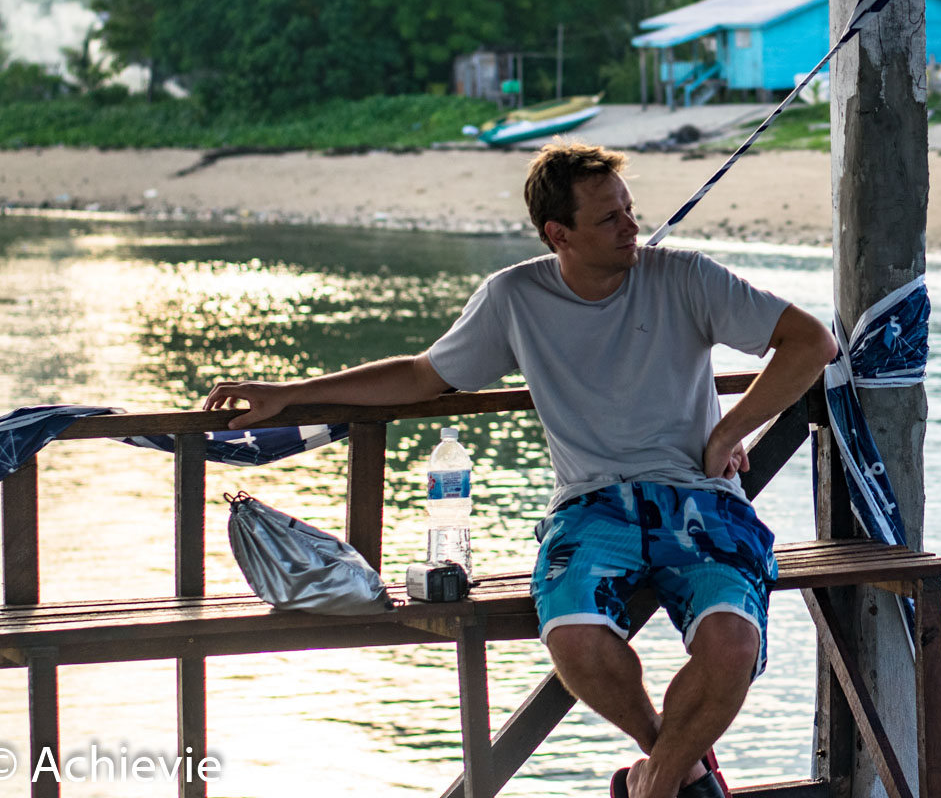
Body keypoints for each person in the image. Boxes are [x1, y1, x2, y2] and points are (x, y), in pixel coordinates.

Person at [203, 142, 837, 798]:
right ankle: (674, 768)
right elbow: (421, 376)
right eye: (609, 218)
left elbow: (811, 341)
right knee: (574, 639)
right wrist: (290, 393)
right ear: (558, 234)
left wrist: (731, 429)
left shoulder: (687, 277)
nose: (632, 227)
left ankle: (657, 785)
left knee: (732, 647)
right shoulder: (515, 297)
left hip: (702, 499)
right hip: (593, 505)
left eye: (630, 209)